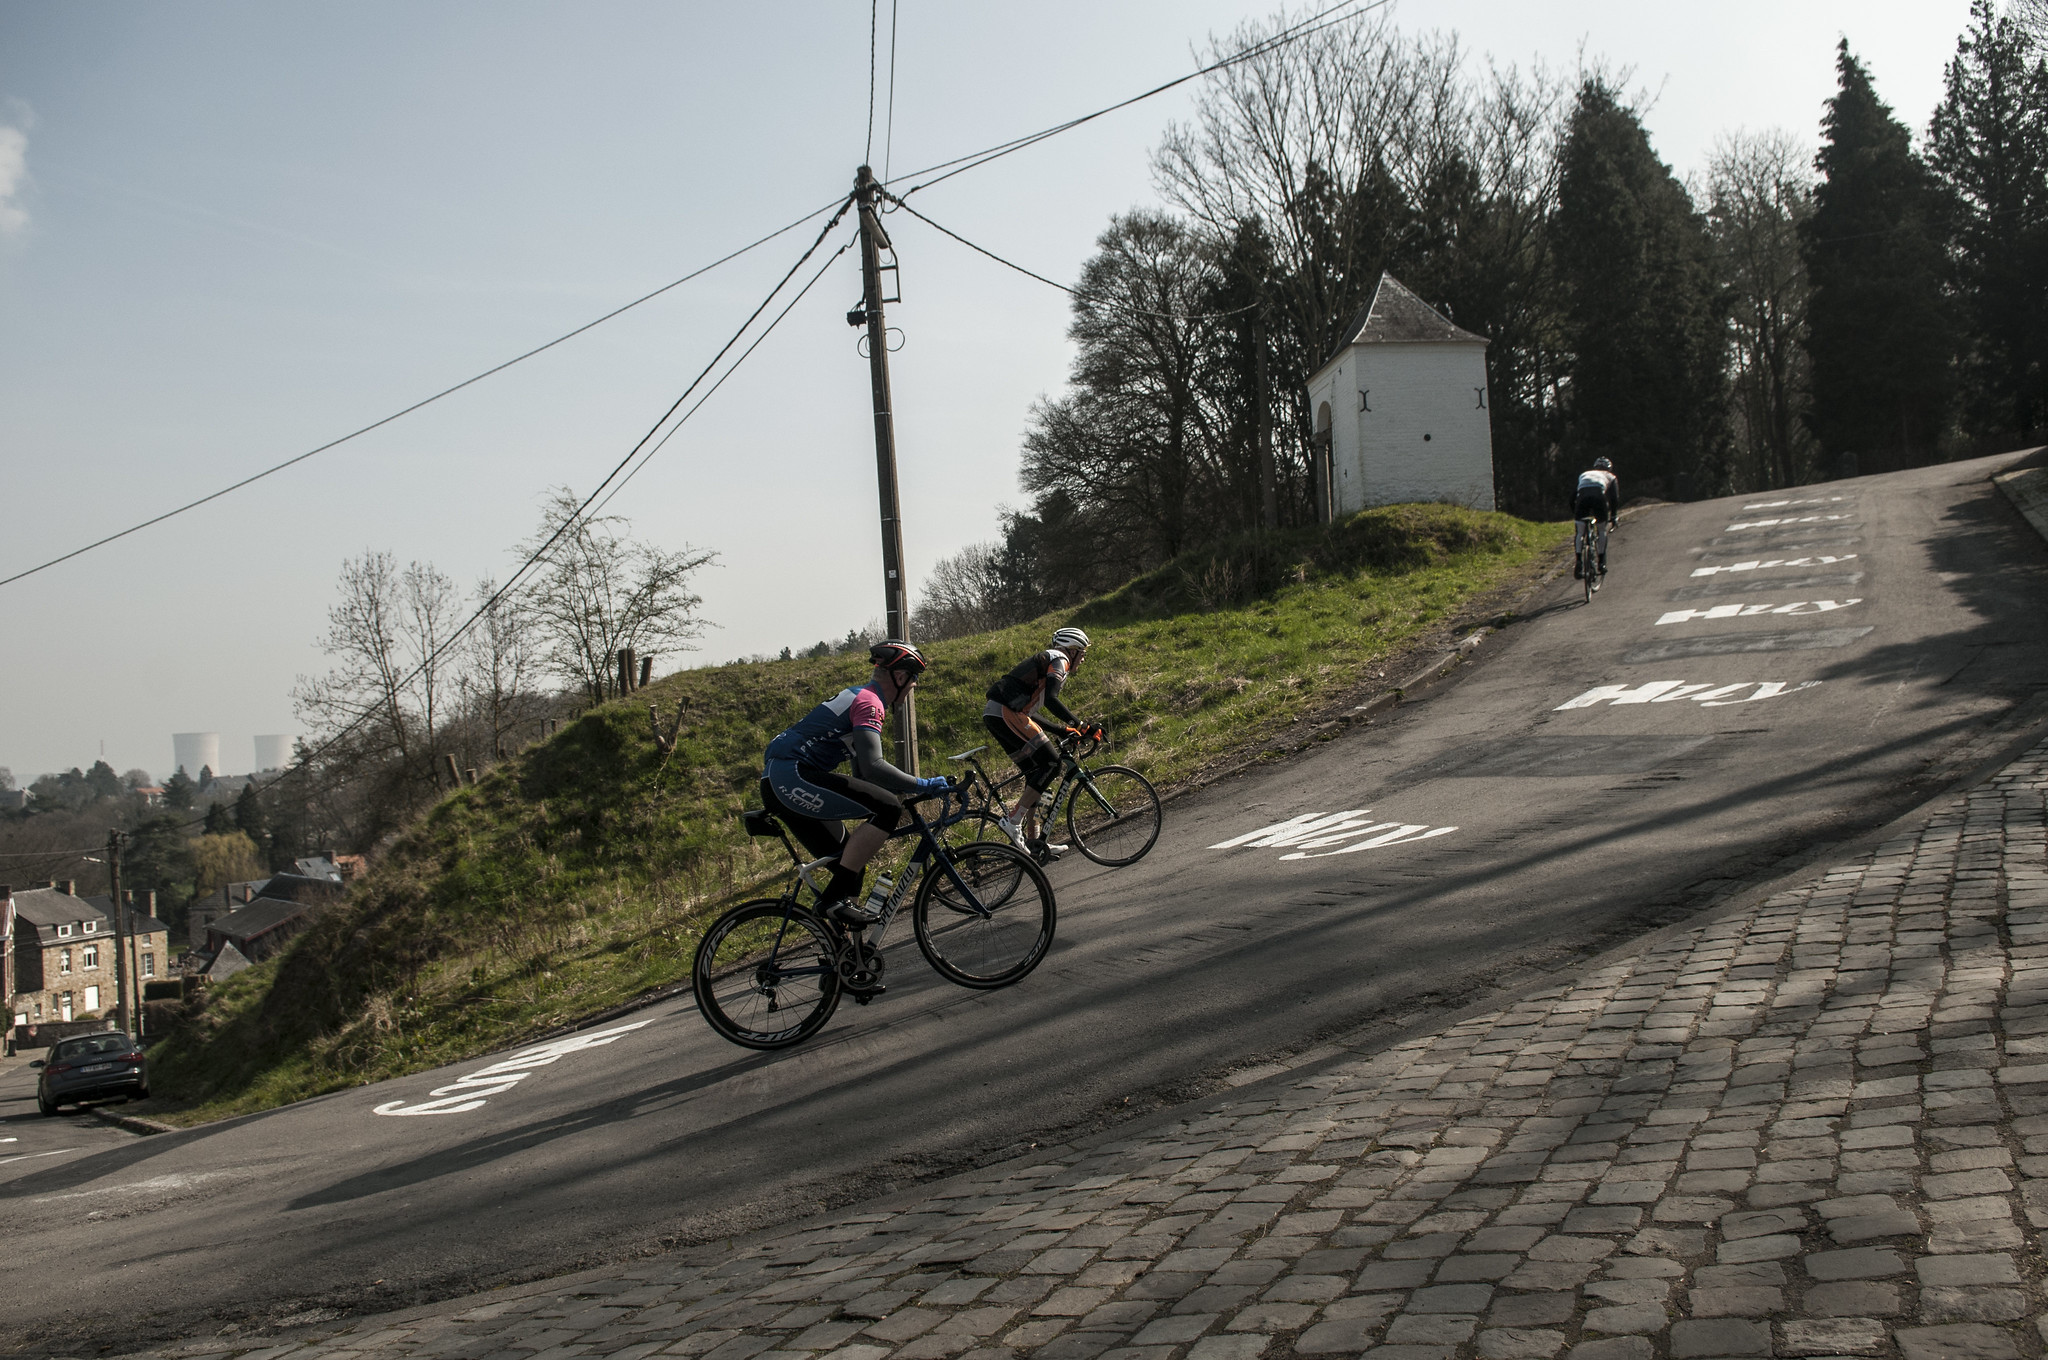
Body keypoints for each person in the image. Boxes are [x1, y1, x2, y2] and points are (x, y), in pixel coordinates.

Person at [761, 639, 952, 926]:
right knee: (888, 809)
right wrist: (922, 785)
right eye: (913, 679)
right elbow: (873, 766)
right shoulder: (869, 702)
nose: (914, 686)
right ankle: (829, 902)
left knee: (850, 866)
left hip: (782, 779)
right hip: (792, 776)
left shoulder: (859, 696)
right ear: (899, 677)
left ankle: (842, 957)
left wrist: (904, 788)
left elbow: (862, 778)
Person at [984, 626, 1102, 862]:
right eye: (1083, 653)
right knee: (1051, 764)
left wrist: (1062, 729)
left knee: (1037, 775)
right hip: (1005, 713)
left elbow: (1030, 711)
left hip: (997, 713)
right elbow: (1051, 699)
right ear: (1073, 650)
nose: (1083, 658)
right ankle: (1013, 820)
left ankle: (1035, 843)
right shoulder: (1060, 660)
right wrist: (1081, 725)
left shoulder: (1049, 661)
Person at [1573, 457, 1619, 578]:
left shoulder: (1585, 474)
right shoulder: (1610, 476)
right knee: (1602, 529)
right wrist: (1613, 516)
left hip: (1582, 498)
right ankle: (1601, 562)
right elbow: (1614, 498)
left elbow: (1573, 495)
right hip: (1599, 497)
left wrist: (1576, 513)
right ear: (1609, 468)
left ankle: (1578, 560)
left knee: (1580, 532)